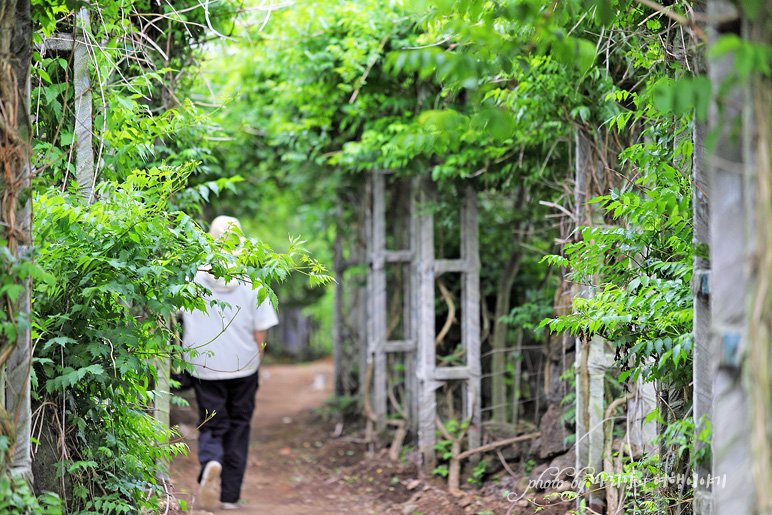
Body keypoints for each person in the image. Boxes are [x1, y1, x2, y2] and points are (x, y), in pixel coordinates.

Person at [181, 216, 279, 510]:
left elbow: (176, 321)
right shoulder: (252, 282)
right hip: (244, 366)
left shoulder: (191, 279)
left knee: (212, 423)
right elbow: (260, 332)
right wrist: (254, 361)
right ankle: (231, 496)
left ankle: (211, 459)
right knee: (239, 425)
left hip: (203, 367)